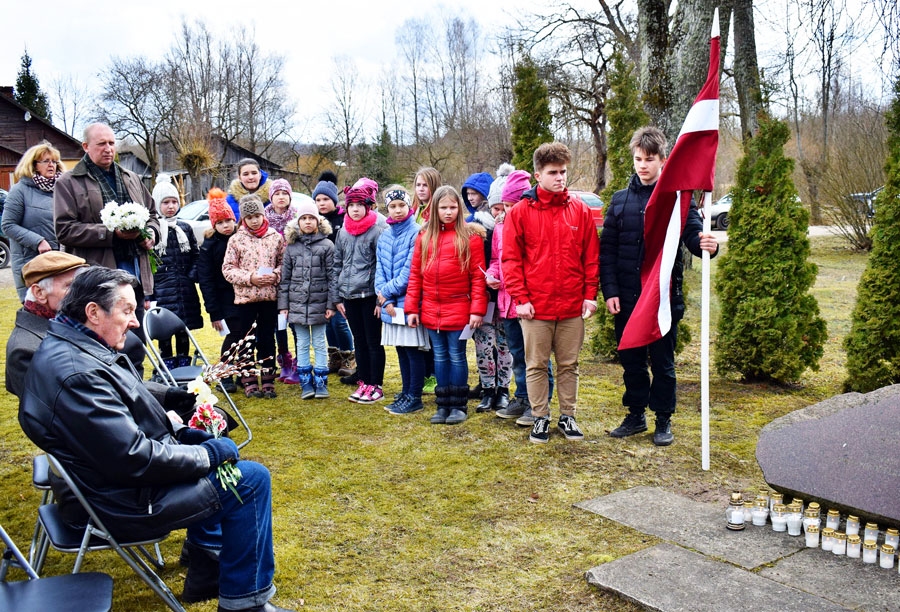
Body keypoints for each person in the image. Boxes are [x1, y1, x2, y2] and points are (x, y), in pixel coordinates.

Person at [18, 267, 293, 612]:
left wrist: (179, 425)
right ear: (93, 312)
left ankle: (207, 570)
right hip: (120, 502)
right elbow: (134, 458)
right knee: (251, 479)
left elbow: (118, 409)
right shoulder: (76, 372)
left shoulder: (70, 345)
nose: (135, 322)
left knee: (207, 455)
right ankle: (245, 604)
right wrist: (208, 454)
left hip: (105, 485)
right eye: (127, 311)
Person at [602, 126, 719, 446]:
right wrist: (610, 291)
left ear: (663, 160)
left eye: (649, 159)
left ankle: (663, 419)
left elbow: (693, 236)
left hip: (662, 298)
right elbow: (607, 251)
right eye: (638, 159)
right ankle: (635, 415)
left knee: (663, 365)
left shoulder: (677, 200)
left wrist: (707, 245)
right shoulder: (619, 201)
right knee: (632, 363)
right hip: (626, 298)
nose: (643, 165)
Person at [501, 142, 600, 444]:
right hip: (535, 307)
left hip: (572, 306)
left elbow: (591, 257)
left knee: (569, 365)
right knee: (536, 365)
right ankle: (540, 417)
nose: (560, 178)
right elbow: (511, 260)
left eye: (563, 172)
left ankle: (568, 416)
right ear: (538, 175)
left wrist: (590, 295)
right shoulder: (520, 213)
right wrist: (521, 299)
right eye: (553, 172)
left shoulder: (580, 210)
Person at [53, 123, 160, 311]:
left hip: (136, 269)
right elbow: (64, 230)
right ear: (86, 146)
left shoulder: (131, 178)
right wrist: (110, 233)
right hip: (96, 277)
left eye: (111, 143)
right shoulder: (68, 182)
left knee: (134, 325)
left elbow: (152, 214)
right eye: (101, 144)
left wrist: (151, 233)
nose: (108, 149)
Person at [406, 185, 488, 425]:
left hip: (459, 309)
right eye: (443, 207)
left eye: (453, 207)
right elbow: (415, 275)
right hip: (431, 310)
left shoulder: (470, 238)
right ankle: (442, 405)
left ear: (459, 209)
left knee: (456, 356)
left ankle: (458, 405)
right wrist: (412, 308)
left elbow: (478, 277)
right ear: (435, 209)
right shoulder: (424, 237)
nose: (448, 212)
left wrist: (477, 310)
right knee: (440, 357)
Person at [222, 194, 285, 399]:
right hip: (245, 300)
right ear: (243, 219)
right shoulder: (236, 239)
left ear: (263, 215)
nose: (254, 220)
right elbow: (228, 269)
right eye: (249, 217)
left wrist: (275, 275)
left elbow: (284, 263)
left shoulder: (275, 237)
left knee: (267, 339)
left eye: (257, 216)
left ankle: (268, 379)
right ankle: (248, 380)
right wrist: (250, 278)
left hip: (269, 298)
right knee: (246, 340)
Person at [375, 186, 429, 415]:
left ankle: (414, 395)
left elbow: (409, 273)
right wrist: (384, 300)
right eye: (392, 206)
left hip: (409, 302)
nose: (397, 210)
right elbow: (379, 270)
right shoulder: (385, 236)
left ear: (409, 206)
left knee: (412, 350)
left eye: (401, 205)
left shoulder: (417, 233)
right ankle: (406, 391)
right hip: (390, 304)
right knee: (401, 349)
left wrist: (385, 293)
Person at [334, 178, 387, 404]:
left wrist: (380, 299)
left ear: (368, 206)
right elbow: (337, 264)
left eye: (359, 205)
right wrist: (337, 297)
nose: (355, 210)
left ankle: (376, 384)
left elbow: (382, 266)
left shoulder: (377, 231)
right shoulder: (343, 232)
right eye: (351, 205)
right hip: (349, 296)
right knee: (359, 341)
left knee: (373, 341)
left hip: (370, 295)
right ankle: (364, 381)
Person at [278, 199, 338, 399]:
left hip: (320, 304)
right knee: (302, 343)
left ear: (318, 221)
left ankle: (321, 381)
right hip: (296, 304)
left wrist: (331, 304)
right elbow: (285, 279)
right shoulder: (291, 247)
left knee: (319, 342)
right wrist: (284, 306)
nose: (308, 222)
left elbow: (332, 277)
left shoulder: (327, 245)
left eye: (311, 218)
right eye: (303, 218)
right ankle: (305, 382)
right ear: (298, 222)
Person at [464, 168, 513, 412]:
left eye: (475, 193)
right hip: (481, 295)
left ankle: (503, 389)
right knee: (483, 345)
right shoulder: (471, 226)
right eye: (468, 194)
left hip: (505, 296)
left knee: (504, 345)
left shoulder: (509, 227)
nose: (471, 198)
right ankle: (487, 388)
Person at [148, 175, 203, 367]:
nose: (170, 206)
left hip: (184, 289)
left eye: (174, 202)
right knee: (164, 331)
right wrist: (150, 291)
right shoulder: (151, 230)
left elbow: (196, 255)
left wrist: (191, 275)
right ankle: (167, 365)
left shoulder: (185, 228)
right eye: (165, 202)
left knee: (182, 328)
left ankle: (184, 364)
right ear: (157, 204)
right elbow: (147, 262)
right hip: (162, 291)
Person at [2, 141, 65, 302]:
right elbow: (8, 225)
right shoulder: (19, 191)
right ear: (34, 165)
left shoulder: (62, 189)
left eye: (54, 161)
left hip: (61, 260)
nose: (51, 165)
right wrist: (38, 241)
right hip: (31, 262)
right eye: (46, 161)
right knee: (36, 308)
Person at [198, 188, 242, 393]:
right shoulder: (209, 246)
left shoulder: (241, 238)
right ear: (214, 225)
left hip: (244, 295)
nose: (226, 226)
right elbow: (206, 280)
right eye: (221, 222)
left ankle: (242, 372)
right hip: (223, 299)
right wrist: (214, 312)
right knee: (233, 335)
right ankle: (225, 374)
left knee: (246, 334)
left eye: (228, 221)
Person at [312, 175, 356, 380]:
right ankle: (335, 356)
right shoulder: (314, 221)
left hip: (339, 277)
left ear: (334, 200)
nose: (322, 203)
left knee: (339, 320)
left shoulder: (343, 220)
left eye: (325, 199)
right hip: (320, 279)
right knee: (327, 320)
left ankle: (349, 356)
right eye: (318, 200)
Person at [411, 167, 442, 394]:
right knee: (419, 332)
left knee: (432, 333)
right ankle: (422, 373)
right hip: (416, 275)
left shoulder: (437, 212)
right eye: (418, 185)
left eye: (425, 185)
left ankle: (433, 374)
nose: (421, 189)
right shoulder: (414, 210)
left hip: (432, 277)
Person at [264, 178, 298, 382]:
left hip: (294, 278)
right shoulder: (264, 219)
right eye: (277, 193)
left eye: (285, 193)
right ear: (271, 197)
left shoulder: (297, 218)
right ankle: (284, 358)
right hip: (272, 279)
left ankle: (299, 363)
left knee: (296, 323)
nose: (281, 197)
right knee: (279, 324)